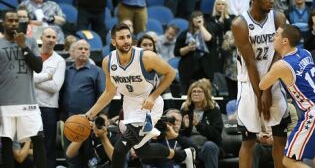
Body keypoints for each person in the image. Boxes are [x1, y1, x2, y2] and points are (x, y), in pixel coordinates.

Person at [84, 23, 196, 168]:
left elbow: (171, 73)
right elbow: (109, 92)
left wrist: (153, 96)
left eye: (128, 37)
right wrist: (89, 115)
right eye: (121, 38)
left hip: (149, 104)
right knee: (143, 150)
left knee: (119, 150)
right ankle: (183, 155)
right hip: (130, 105)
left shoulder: (146, 57)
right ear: (113, 42)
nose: (126, 41)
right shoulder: (108, 62)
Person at [259, 24, 315, 168]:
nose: (273, 37)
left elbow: (262, 85)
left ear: (285, 41)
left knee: (289, 161)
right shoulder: (306, 53)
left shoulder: (282, 65)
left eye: (276, 34)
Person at [231, 0, 288, 168]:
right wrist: (261, 92)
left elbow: (280, 53)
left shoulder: (278, 17)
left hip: (275, 80)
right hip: (249, 84)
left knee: (280, 139)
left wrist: (268, 87)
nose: (272, 1)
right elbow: (250, 63)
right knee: (249, 141)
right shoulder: (240, 24)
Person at [0, 11, 46, 168]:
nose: (13, 23)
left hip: (28, 102)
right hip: (5, 103)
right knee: (6, 143)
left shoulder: (30, 41)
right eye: (10, 20)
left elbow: (38, 68)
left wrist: (24, 46)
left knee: (38, 140)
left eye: (16, 20)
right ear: (3, 23)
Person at [60, 39, 105, 167]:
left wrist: (102, 115)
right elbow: (62, 94)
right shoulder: (67, 71)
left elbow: (102, 94)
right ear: (72, 52)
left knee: (89, 158)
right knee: (71, 158)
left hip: (89, 122)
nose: (83, 51)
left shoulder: (96, 71)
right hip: (70, 121)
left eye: (86, 49)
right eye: (80, 48)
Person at [34, 27, 66, 168]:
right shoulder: (32, 56)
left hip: (49, 108)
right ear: (41, 38)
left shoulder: (59, 61)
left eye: (54, 37)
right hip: (30, 105)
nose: (51, 40)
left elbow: (55, 87)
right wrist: (46, 76)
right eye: (48, 36)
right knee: (30, 142)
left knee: (48, 144)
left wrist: (32, 80)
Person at [180, 80, 224, 168]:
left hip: (209, 146)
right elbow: (180, 136)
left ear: (206, 95)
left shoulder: (213, 111)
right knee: (185, 143)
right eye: (194, 91)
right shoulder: (185, 110)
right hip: (191, 145)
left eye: (199, 91)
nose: (196, 94)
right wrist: (184, 127)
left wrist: (199, 125)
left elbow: (216, 134)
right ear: (190, 94)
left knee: (209, 146)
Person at [174, 11, 214, 94]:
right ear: (191, 20)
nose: (198, 19)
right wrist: (188, 48)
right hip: (187, 68)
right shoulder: (184, 34)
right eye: (196, 17)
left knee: (205, 92)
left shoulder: (208, 31)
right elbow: (177, 52)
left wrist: (201, 26)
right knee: (187, 92)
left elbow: (209, 40)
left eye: (200, 17)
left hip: (205, 68)